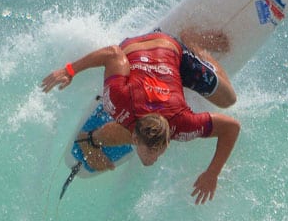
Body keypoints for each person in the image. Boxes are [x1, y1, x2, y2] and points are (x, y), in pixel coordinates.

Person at [41, 29, 240, 205]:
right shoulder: (118, 101)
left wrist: (212, 172)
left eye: (157, 152)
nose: (152, 159)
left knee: (229, 99)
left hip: (170, 52)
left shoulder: (182, 126)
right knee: (124, 128)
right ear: (135, 137)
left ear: (169, 141)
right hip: (145, 45)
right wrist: (69, 70)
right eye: (149, 152)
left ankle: (194, 43)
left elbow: (232, 127)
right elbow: (113, 53)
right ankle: (89, 140)